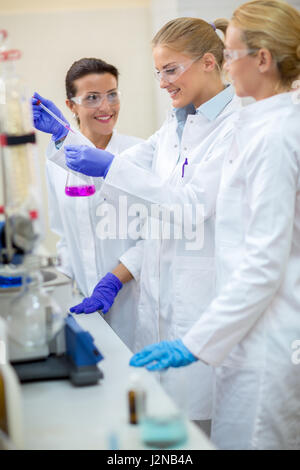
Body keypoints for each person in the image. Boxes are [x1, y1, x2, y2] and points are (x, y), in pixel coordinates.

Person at [54, 17, 242, 430]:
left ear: (209, 62)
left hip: (198, 305)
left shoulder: (233, 128)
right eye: (157, 72)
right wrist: (65, 139)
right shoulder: (174, 125)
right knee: (159, 424)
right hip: (157, 304)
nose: (162, 82)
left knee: (195, 432)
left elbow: (190, 206)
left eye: (170, 70)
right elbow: (122, 172)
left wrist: (109, 167)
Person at [129, 0, 300, 450]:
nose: (223, 64)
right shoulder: (258, 123)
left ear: (261, 59)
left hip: (267, 340)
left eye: (228, 55)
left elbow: (263, 264)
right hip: (241, 332)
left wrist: (197, 341)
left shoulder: (277, 133)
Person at [32, 58, 143, 351]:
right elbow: (65, 235)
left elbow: (153, 237)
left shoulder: (138, 153)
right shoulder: (56, 162)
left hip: (134, 301)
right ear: (71, 106)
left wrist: (112, 281)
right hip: (84, 307)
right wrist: (60, 288)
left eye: (112, 94)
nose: (106, 107)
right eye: (92, 98)